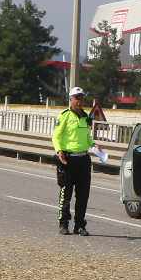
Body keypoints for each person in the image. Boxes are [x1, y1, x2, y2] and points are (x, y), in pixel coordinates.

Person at [52, 86, 94, 235]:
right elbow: (56, 136)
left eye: (81, 97)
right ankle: (63, 224)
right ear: (70, 99)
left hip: (83, 160)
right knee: (66, 194)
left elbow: (88, 138)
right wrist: (59, 151)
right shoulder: (64, 116)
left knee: (83, 196)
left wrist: (95, 146)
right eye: (76, 98)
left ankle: (80, 225)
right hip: (68, 160)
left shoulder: (86, 116)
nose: (79, 100)